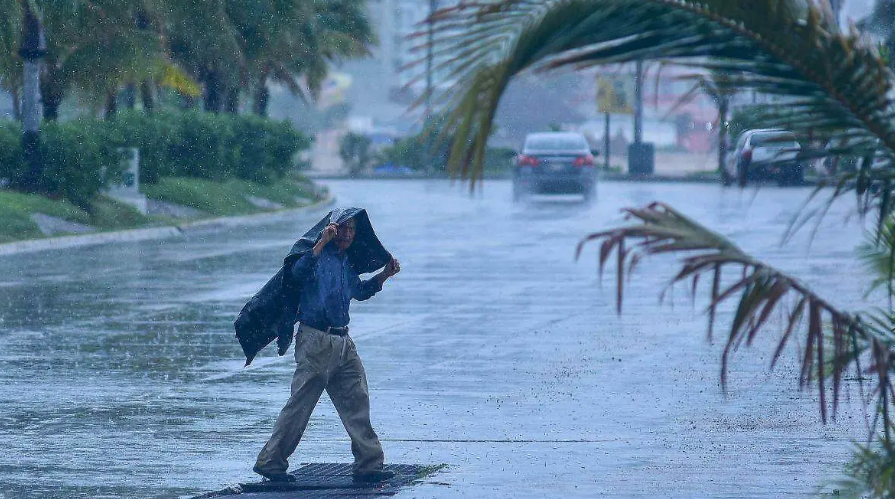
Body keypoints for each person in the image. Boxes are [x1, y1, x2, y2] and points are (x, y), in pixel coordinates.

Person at [252, 211, 401, 484]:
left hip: (343, 342)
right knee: (300, 405)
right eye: (341, 228)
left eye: (351, 230)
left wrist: (384, 276)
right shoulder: (316, 258)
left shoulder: (346, 263)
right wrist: (320, 244)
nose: (346, 234)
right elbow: (296, 275)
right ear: (330, 230)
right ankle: (271, 462)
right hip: (315, 342)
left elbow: (359, 292)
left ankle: (369, 464)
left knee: (357, 400)